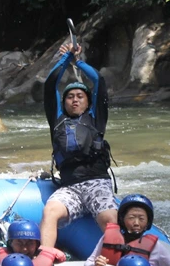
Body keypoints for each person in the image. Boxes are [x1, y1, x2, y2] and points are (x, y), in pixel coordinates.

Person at [40, 41, 117, 249]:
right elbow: (51, 84)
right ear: (63, 102)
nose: (75, 100)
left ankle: (117, 260)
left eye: (80, 96)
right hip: (69, 187)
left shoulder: (95, 117)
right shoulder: (57, 120)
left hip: (96, 183)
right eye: (70, 97)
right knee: (50, 211)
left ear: (88, 102)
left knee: (110, 219)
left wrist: (77, 61)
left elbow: (98, 80)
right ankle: (45, 257)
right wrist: (65, 59)